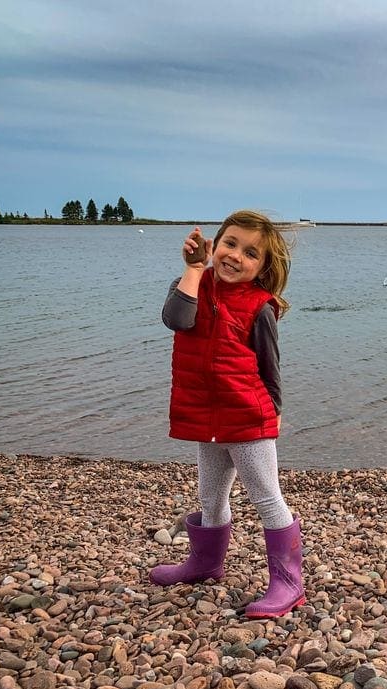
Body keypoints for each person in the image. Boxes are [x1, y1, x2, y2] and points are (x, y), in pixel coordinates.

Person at [149, 209, 305, 619]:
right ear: (214, 246)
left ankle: (289, 584)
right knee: (210, 494)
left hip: (247, 416)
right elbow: (176, 320)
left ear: (262, 268)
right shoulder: (192, 285)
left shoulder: (259, 306)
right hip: (205, 414)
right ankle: (205, 564)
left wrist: (274, 413)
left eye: (250, 253)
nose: (236, 256)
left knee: (266, 497)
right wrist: (194, 269)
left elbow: (271, 366)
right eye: (230, 244)